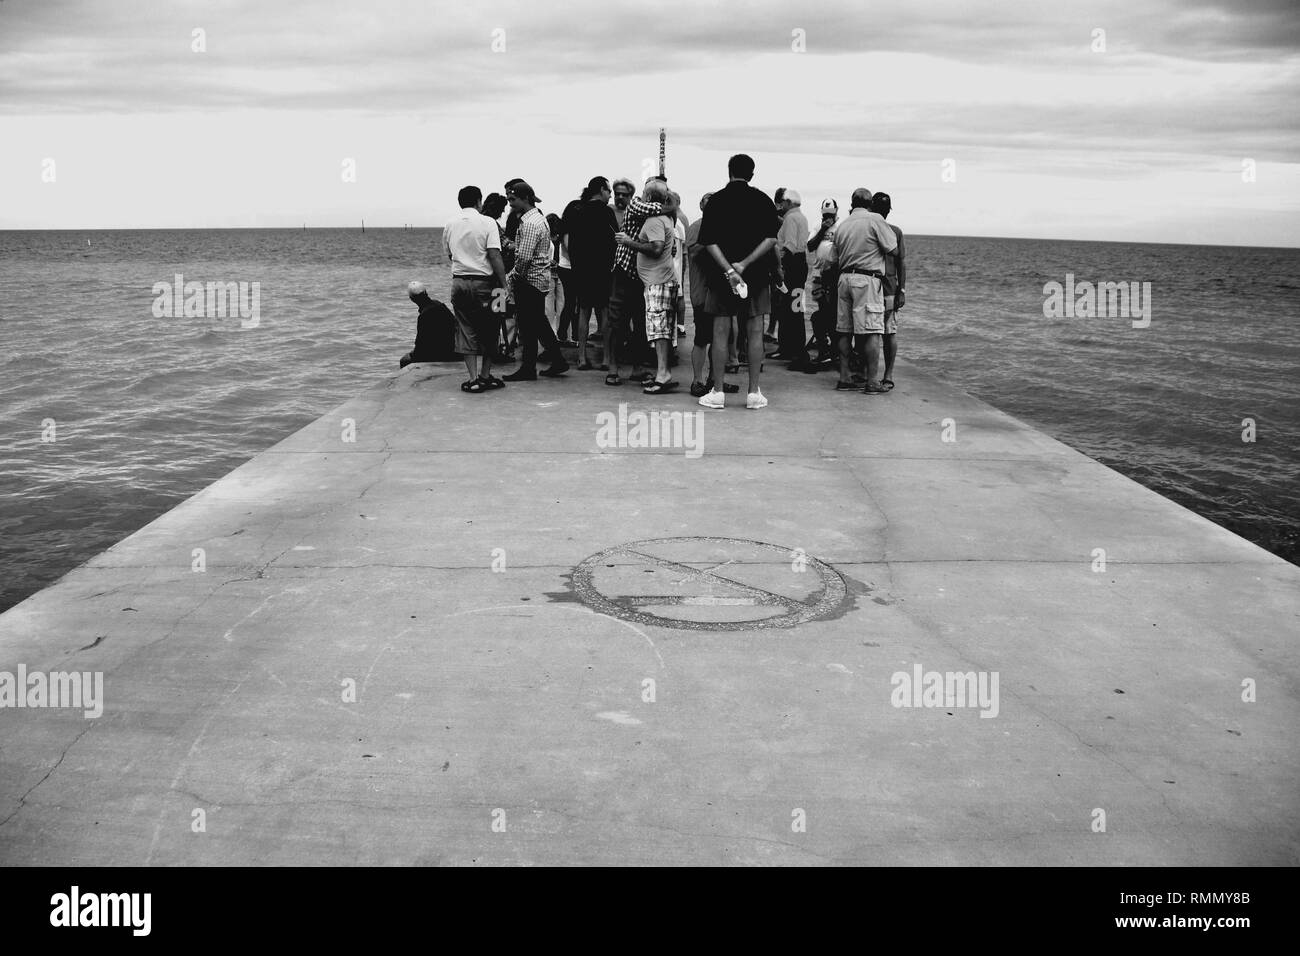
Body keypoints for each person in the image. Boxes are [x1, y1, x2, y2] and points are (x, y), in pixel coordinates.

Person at [696, 153, 779, 409]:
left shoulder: (716, 201)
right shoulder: (764, 200)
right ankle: (753, 393)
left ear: (729, 171)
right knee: (755, 332)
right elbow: (771, 239)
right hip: (755, 276)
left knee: (720, 333)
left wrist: (729, 270)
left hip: (721, 278)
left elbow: (708, 241)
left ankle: (718, 392)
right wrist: (744, 264)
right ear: (752, 174)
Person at [828, 187, 898, 394]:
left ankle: (844, 377)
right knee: (873, 332)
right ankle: (872, 382)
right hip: (867, 279)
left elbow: (832, 259)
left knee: (844, 330)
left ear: (852, 203)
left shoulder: (843, 225)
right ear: (870, 204)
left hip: (843, 278)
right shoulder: (875, 219)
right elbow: (892, 249)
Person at [443, 185, 510, 391]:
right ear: (479, 201)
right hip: (487, 284)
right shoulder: (488, 222)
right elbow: (494, 255)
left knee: (465, 328)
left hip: (459, 282)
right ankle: (485, 375)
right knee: (492, 327)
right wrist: (505, 285)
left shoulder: (450, 224)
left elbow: (449, 255)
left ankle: (472, 380)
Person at [502, 181, 569, 381]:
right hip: (538, 280)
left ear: (524, 198)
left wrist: (510, 278)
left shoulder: (530, 223)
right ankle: (557, 361)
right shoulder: (538, 219)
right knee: (538, 323)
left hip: (529, 281)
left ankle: (529, 368)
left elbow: (524, 258)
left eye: (512, 200)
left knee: (529, 326)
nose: (510, 204)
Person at [618, 189, 679, 393]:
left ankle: (663, 375)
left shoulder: (654, 221)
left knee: (659, 331)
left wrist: (629, 242)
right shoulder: (666, 218)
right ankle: (664, 372)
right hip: (661, 280)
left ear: (649, 199)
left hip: (657, 282)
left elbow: (656, 248)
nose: (641, 198)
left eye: (644, 194)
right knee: (663, 330)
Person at [608, 179, 666, 386]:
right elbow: (658, 207)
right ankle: (614, 368)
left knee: (640, 324)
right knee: (617, 323)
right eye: (618, 194)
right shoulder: (637, 206)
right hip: (624, 270)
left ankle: (637, 368)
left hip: (641, 274)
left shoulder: (646, 212)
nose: (620, 197)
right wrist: (671, 205)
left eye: (624, 194)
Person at [687, 193, 740, 398]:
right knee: (702, 338)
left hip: (720, 292)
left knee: (721, 338)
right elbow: (693, 253)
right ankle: (697, 380)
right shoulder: (697, 226)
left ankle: (715, 380)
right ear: (701, 206)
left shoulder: (720, 226)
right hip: (702, 292)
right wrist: (713, 239)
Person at [564, 175, 618, 370]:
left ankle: (582, 358)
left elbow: (568, 240)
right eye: (609, 191)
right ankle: (605, 358)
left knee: (583, 312)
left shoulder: (577, 210)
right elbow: (615, 239)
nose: (610, 195)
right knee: (604, 313)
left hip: (582, 269)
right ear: (601, 189)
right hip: (602, 268)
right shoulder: (607, 212)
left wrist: (575, 262)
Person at [871, 192, 906, 392]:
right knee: (887, 332)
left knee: (880, 333)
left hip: (883, 289)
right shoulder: (892, 231)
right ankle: (885, 374)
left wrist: (901, 289)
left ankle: (883, 374)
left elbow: (901, 261)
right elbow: (902, 262)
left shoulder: (893, 231)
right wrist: (902, 289)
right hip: (887, 288)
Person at [773, 188, 810, 368]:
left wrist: (778, 266)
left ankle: (796, 352)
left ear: (788, 202)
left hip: (792, 266)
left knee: (791, 309)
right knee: (794, 308)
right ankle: (790, 349)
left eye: (782, 202)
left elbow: (789, 246)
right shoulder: (801, 217)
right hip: (800, 265)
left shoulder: (790, 218)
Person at [804, 198, 840, 371]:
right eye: (825, 214)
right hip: (818, 275)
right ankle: (824, 347)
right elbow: (810, 246)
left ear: (836, 212)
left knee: (831, 313)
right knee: (822, 312)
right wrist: (823, 229)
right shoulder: (818, 227)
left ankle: (834, 349)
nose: (828, 217)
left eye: (831, 215)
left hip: (833, 277)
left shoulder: (841, 227)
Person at [399, 281, 459, 366]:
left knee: (404, 360)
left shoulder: (423, 316)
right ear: (426, 292)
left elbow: (421, 344)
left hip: (442, 354)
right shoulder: (439, 304)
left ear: (412, 299)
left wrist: (413, 354)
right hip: (454, 348)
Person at [547, 211, 578, 346]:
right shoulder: (563, 236)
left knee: (563, 305)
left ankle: (562, 335)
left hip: (560, 271)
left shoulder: (562, 235)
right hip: (557, 271)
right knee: (557, 306)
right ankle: (557, 335)